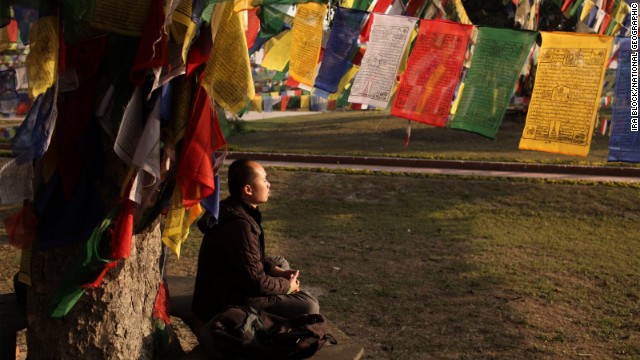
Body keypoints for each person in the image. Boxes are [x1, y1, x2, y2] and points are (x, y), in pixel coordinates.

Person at [192, 159, 319, 323]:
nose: (269, 185)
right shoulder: (239, 224)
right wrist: (287, 286)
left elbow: (249, 260)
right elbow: (255, 282)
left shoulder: (235, 208)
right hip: (225, 303)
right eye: (264, 180)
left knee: (279, 262)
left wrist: (277, 273)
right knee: (310, 305)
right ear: (248, 189)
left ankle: (281, 297)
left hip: (235, 285)